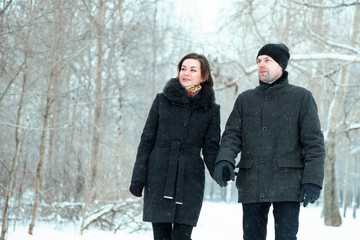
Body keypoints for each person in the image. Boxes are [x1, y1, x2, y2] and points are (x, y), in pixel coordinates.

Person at [213, 43, 325, 240]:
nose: (261, 65)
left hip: (288, 184)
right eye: (258, 61)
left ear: (281, 65)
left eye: (267, 60)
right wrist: (225, 160)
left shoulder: (301, 98)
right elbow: (231, 135)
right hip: (252, 183)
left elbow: (314, 145)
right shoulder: (245, 99)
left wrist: (313, 180)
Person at [129, 53, 220, 240]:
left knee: (182, 236)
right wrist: (138, 177)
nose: (186, 73)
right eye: (183, 68)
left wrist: (220, 170)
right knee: (161, 236)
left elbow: (211, 148)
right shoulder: (162, 100)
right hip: (159, 174)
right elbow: (146, 140)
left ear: (203, 77)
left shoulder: (211, 109)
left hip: (190, 179)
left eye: (192, 70)